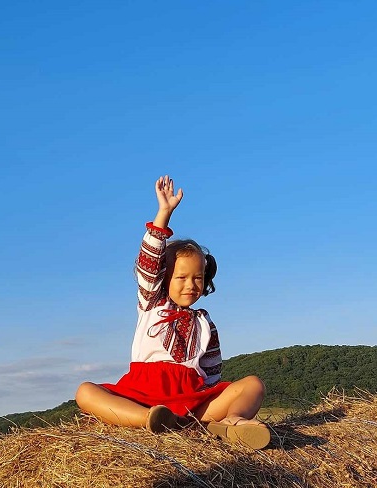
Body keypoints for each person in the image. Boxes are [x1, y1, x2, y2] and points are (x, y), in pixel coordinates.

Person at [75, 175, 270, 449]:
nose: (191, 285)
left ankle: (233, 420)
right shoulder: (152, 302)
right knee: (85, 392)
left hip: (190, 402)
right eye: (181, 278)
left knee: (253, 384)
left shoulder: (205, 323)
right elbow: (149, 263)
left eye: (198, 278)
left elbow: (212, 373)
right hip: (141, 395)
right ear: (164, 279)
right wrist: (164, 214)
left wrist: (211, 399)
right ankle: (149, 419)